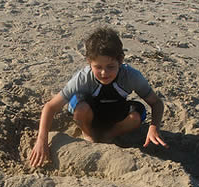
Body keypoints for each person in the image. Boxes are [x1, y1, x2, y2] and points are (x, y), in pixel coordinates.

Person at [29, 27, 168, 167]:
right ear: (89, 62)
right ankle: (88, 134)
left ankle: (109, 135)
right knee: (80, 106)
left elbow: (156, 103)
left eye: (110, 67)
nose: (104, 73)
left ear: (120, 60)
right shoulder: (83, 78)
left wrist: (154, 127)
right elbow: (50, 107)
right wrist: (41, 140)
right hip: (89, 112)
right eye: (98, 67)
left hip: (114, 112)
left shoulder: (131, 76)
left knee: (137, 115)